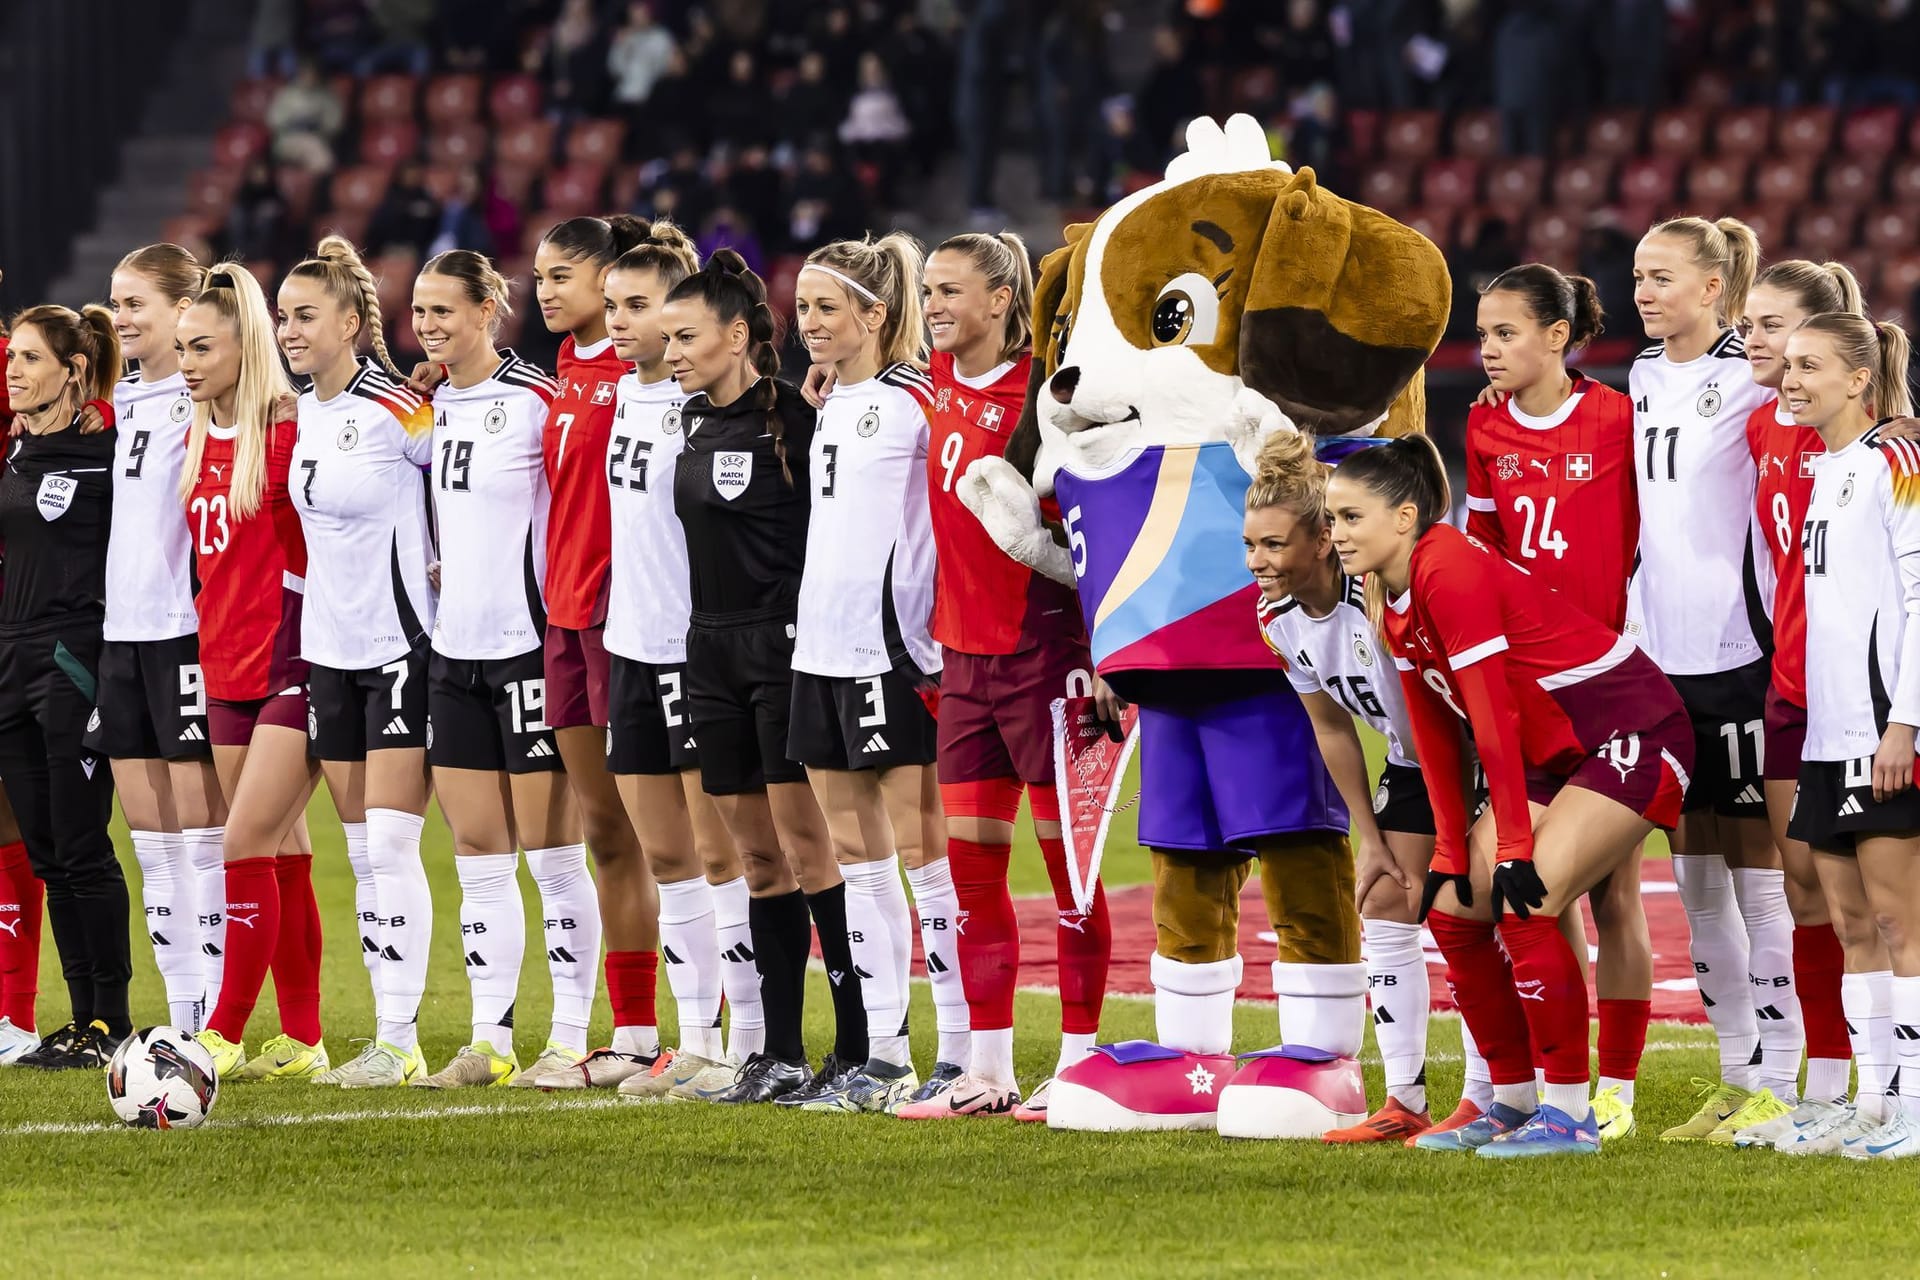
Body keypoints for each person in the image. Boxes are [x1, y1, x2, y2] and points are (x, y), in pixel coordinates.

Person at [1327, 435, 1693, 1158]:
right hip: (1553, 749)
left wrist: (1515, 847)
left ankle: (1569, 1115)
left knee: (1526, 896)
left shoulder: (1448, 569)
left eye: (1349, 517)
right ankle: (1511, 1101)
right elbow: (1435, 727)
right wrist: (1449, 846)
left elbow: (1491, 717)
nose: (1336, 533)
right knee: (1454, 906)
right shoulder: (1390, 588)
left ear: (1404, 517)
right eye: (1332, 518)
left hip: (1631, 729)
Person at [887, 233, 1110, 1123]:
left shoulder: (1051, 400)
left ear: (1003, 298)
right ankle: (986, 1070)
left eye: (950, 291)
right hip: (963, 665)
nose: (933, 305)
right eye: (928, 291)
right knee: (974, 881)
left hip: (1048, 665)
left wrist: (1104, 657)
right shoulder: (936, 385)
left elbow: (1097, 535)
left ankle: (1084, 1063)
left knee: (1074, 884)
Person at [545, 223, 759, 1096]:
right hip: (627, 645)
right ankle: (687, 1041)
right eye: (621, 305)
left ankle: (743, 1039)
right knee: (667, 858)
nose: (625, 321)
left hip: (691, 651)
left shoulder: (699, 404)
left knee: (721, 855)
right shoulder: (616, 396)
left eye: (643, 308)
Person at [1461, 263, 1650, 1142]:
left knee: (1616, 895)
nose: (1487, 349)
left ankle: (1615, 1088)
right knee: (1541, 889)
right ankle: (1556, 1077)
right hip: (1527, 693)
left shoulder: (1620, 417)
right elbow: (1485, 549)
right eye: (1483, 333)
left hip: (1611, 684)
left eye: (1505, 333)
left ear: (1557, 337)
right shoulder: (1482, 427)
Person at [665, 252, 852, 1104]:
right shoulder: (690, 422)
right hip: (708, 655)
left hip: (782, 654)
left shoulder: (799, 423)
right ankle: (779, 1050)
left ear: (736, 336)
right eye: (666, 336)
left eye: (686, 336)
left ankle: (853, 1048)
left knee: (813, 853)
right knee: (757, 860)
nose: (671, 351)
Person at [406, 250, 595, 1091]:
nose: (429, 325)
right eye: (418, 312)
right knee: (477, 855)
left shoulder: (535, 399)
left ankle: (573, 1035)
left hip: (528, 648)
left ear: (489, 309)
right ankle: (489, 1040)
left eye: (444, 311)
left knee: (555, 856)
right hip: (454, 653)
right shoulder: (430, 404)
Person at [1627, 217, 1795, 1142]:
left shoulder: (1751, 376)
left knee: (1759, 880)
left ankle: (1780, 1074)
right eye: (1639, 276)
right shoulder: (1643, 377)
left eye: (1662, 277)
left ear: (1713, 287)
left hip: (1741, 661)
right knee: (1696, 885)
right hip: (1663, 666)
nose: (1644, 292)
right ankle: (1735, 1077)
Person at [783, 234, 948, 1113]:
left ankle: (954, 1050)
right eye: (803, 307)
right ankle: (879, 1055)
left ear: (874, 315)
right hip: (821, 646)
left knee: (923, 855)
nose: (807, 323)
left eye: (825, 308)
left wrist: (928, 642)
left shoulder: (917, 401)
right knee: (857, 858)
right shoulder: (834, 402)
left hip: (891, 650)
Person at [1242, 430, 1436, 1145]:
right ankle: (1405, 1100)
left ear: (1322, 540)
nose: (1258, 562)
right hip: (1412, 764)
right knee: (1384, 902)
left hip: (1473, 755)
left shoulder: (1382, 587)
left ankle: (1502, 1095)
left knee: (1477, 914)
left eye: (1273, 545)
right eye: (1250, 545)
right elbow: (1331, 727)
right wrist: (1371, 835)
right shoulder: (1276, 622)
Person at [279, 235, 437, 1089]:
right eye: (283, 318)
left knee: (390, 843)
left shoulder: (399, 409)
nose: (291, 331)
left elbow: (465, 476)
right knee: (359, 851)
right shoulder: (305, 410)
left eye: (305, 316)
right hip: (329, 653)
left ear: (350, 322)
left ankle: (402, 1036)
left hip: (400, 645)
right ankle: (385, 1037)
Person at [1729, 261, 1877, 1147]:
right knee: (1805, 884)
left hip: (1863, 695)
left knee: (1881, 895)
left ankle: (1888, 1085)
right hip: (1791, 688)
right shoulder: (1759, 430)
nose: (1757, 342)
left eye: (1773, 326)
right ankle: (1825, 1084)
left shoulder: (1872, 445)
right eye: (1749, 323)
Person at [176, 266, 327, 1083]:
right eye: (181, 348)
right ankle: (304, 1040)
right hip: (224, 662)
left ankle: (223, 1033)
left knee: (243, 840)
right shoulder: (199, 432)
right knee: (283, 847)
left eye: (203, 347)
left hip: (293, 661)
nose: (188, 362)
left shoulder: (292, 427)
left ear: (248, 346)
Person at [1778, 313, 1920, 1158]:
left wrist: (1906, 721)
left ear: (1859, 380)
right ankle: (1875, 1105)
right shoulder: (1818, 466)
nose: (1791, 379)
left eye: (1810, 366)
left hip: (1883, 730)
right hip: (1828, 733)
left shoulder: (1895, 462)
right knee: (1851, 922)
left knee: (1904, 923)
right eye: (1788, 364)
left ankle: (1916, 1108)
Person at [533, 216, 662, 1069]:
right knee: (606, 834)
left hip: (630, 621)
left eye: (560, 276)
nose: (544, 292)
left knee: (673, 843)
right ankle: (629, 1034)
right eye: (538, 277)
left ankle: (701, 1029)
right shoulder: (563, 373)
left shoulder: (648, 374)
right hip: (565, 619)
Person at [91, 244, 224, 1036]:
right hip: (121, 636)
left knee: (201, 842)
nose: (122, 317)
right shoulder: (122, 401)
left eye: (137, 302)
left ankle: (212, 1018)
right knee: (151, 846)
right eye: (116, 302)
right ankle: (178, 1016)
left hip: (184, 636)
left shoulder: (212, 399)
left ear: (184, 310)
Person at [0, 305, 131, 1069]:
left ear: (71, 371)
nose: (14, 370)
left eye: (29, 359)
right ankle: (78, 1021)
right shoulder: (18, 453)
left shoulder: (107, 452)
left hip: (73, 662)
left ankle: (109, 1017)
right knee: (47, 853)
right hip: (12, 666)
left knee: (82, 847)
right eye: (12, 357)